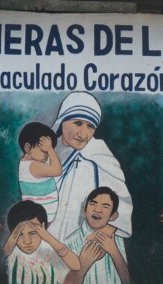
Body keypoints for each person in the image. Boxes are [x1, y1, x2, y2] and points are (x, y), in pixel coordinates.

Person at [48, 91, 133, 244]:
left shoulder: (99, 153)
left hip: (85, 240)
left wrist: (102, 235)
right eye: (78, 123)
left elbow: (122, 200)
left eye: (90, 126)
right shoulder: (49, 151)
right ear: (63, 121)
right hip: (48, 235)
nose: (83, 133)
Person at [62, 187, 130, 284]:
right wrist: (83, 265)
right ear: (85, 209)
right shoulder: (70, 242)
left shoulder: (119, 239)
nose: (97, 210)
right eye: (93, 204)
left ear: (113, 216)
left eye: (105, 206)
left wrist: (114, 252)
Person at [4, 200, 80, 284]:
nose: (27, 241)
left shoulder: (50, 252)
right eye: (20, 234)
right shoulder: (12, 255)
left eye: (33, 233)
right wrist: (14, 233)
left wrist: (47, 236)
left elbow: (76, 265)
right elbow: (4, 253)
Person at [17, 122, 62, 223]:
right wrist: (50, 149)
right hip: (42, 217)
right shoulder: (33, 166)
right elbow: (58, 170)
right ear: (28, 148)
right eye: (44, 151)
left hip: (40, 215)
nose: (47, 155)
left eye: (48, 151)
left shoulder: (26, 163)